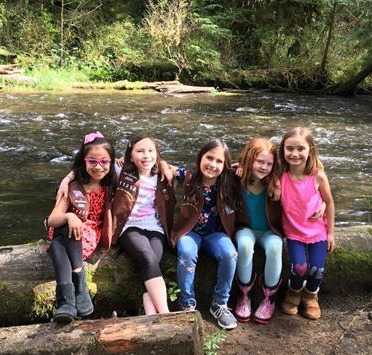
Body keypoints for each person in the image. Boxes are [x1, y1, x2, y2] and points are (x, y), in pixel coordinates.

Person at [170, 139, 240, 330]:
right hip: (189, 232)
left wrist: (242, 166)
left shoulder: (228, 182)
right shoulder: (188, 177)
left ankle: (220, 303)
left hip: (215, 234)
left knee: (230, 254)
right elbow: (164, 166)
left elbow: (258, 171)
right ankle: (187, 303)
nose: (213, 164)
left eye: (219, 161)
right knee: (186, 252)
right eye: (209, 158)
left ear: (225, 166)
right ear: (200, 157)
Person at [47, 131, 115, 323]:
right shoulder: (74, 187)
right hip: (66, 228)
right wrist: (70, 216)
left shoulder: (110, 185)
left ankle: (66, 301)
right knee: (68, 230)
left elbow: (136, 156)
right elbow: (53, 219)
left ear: (110, 161)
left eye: (104, 161)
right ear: (84, 162)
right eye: (92, 161)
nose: (99, 166)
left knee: (56, 245)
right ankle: (78, 286)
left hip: (88, 234)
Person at [110, 133, 175, 315]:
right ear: (131, 155)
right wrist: (68, 179)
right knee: (147, 257)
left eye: (150, 151)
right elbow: (92, 161)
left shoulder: (162, 175)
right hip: (130, 227)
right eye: (140, 151)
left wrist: (165, 165)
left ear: (157, 154)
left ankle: (149, 308)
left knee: (153, 260)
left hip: (155, 228)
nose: (146, 156)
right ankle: (165, 313)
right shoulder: (121, 172)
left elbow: (196, 173)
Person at [280, 127, 335, 320]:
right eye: (290, 148)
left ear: (310, 150)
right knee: (300, 267)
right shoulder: (281, 175)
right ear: (283, 150)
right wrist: (241, 166)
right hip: (294, 232)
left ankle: (311, 296)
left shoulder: (318, 176)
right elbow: (257, 167)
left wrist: (330, 233)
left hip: (317, 231)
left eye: (300, 149)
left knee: (317, 268)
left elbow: (329, 202)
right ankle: (294, 292)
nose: (295, 154)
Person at [234, 137, 284, 325]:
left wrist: (321, 203)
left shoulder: (275, 182)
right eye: (259, 161)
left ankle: (268, 298)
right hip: (246, 228)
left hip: (269, 231)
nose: (264, 167)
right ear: (248, 160)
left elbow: (304, 182)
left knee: (275, 247)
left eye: (269, 163)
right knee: (245, 245)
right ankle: (244, 294)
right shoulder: (236, 177)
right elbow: (217, 167)